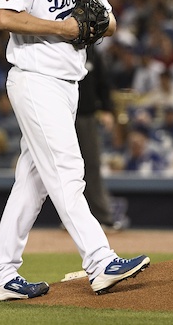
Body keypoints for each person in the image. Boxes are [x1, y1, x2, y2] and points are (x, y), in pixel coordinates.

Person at [0, 0, 149, 302]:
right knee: (69, 170)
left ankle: (1, 274)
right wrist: (65, 28)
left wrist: (92, 26)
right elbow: (4, 17)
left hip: (68, 84)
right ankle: (99, 260)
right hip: (36, 79)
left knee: (33, 183)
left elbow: (109, 21)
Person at [76, 46, 128, 231]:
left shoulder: (90, 51)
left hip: (85, 116)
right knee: (63, 169)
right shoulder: (57, 44)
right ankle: (73, 218)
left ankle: (103, 217)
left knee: (91, 165)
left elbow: (103, 83)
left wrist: (106, 109)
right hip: (60, 115)